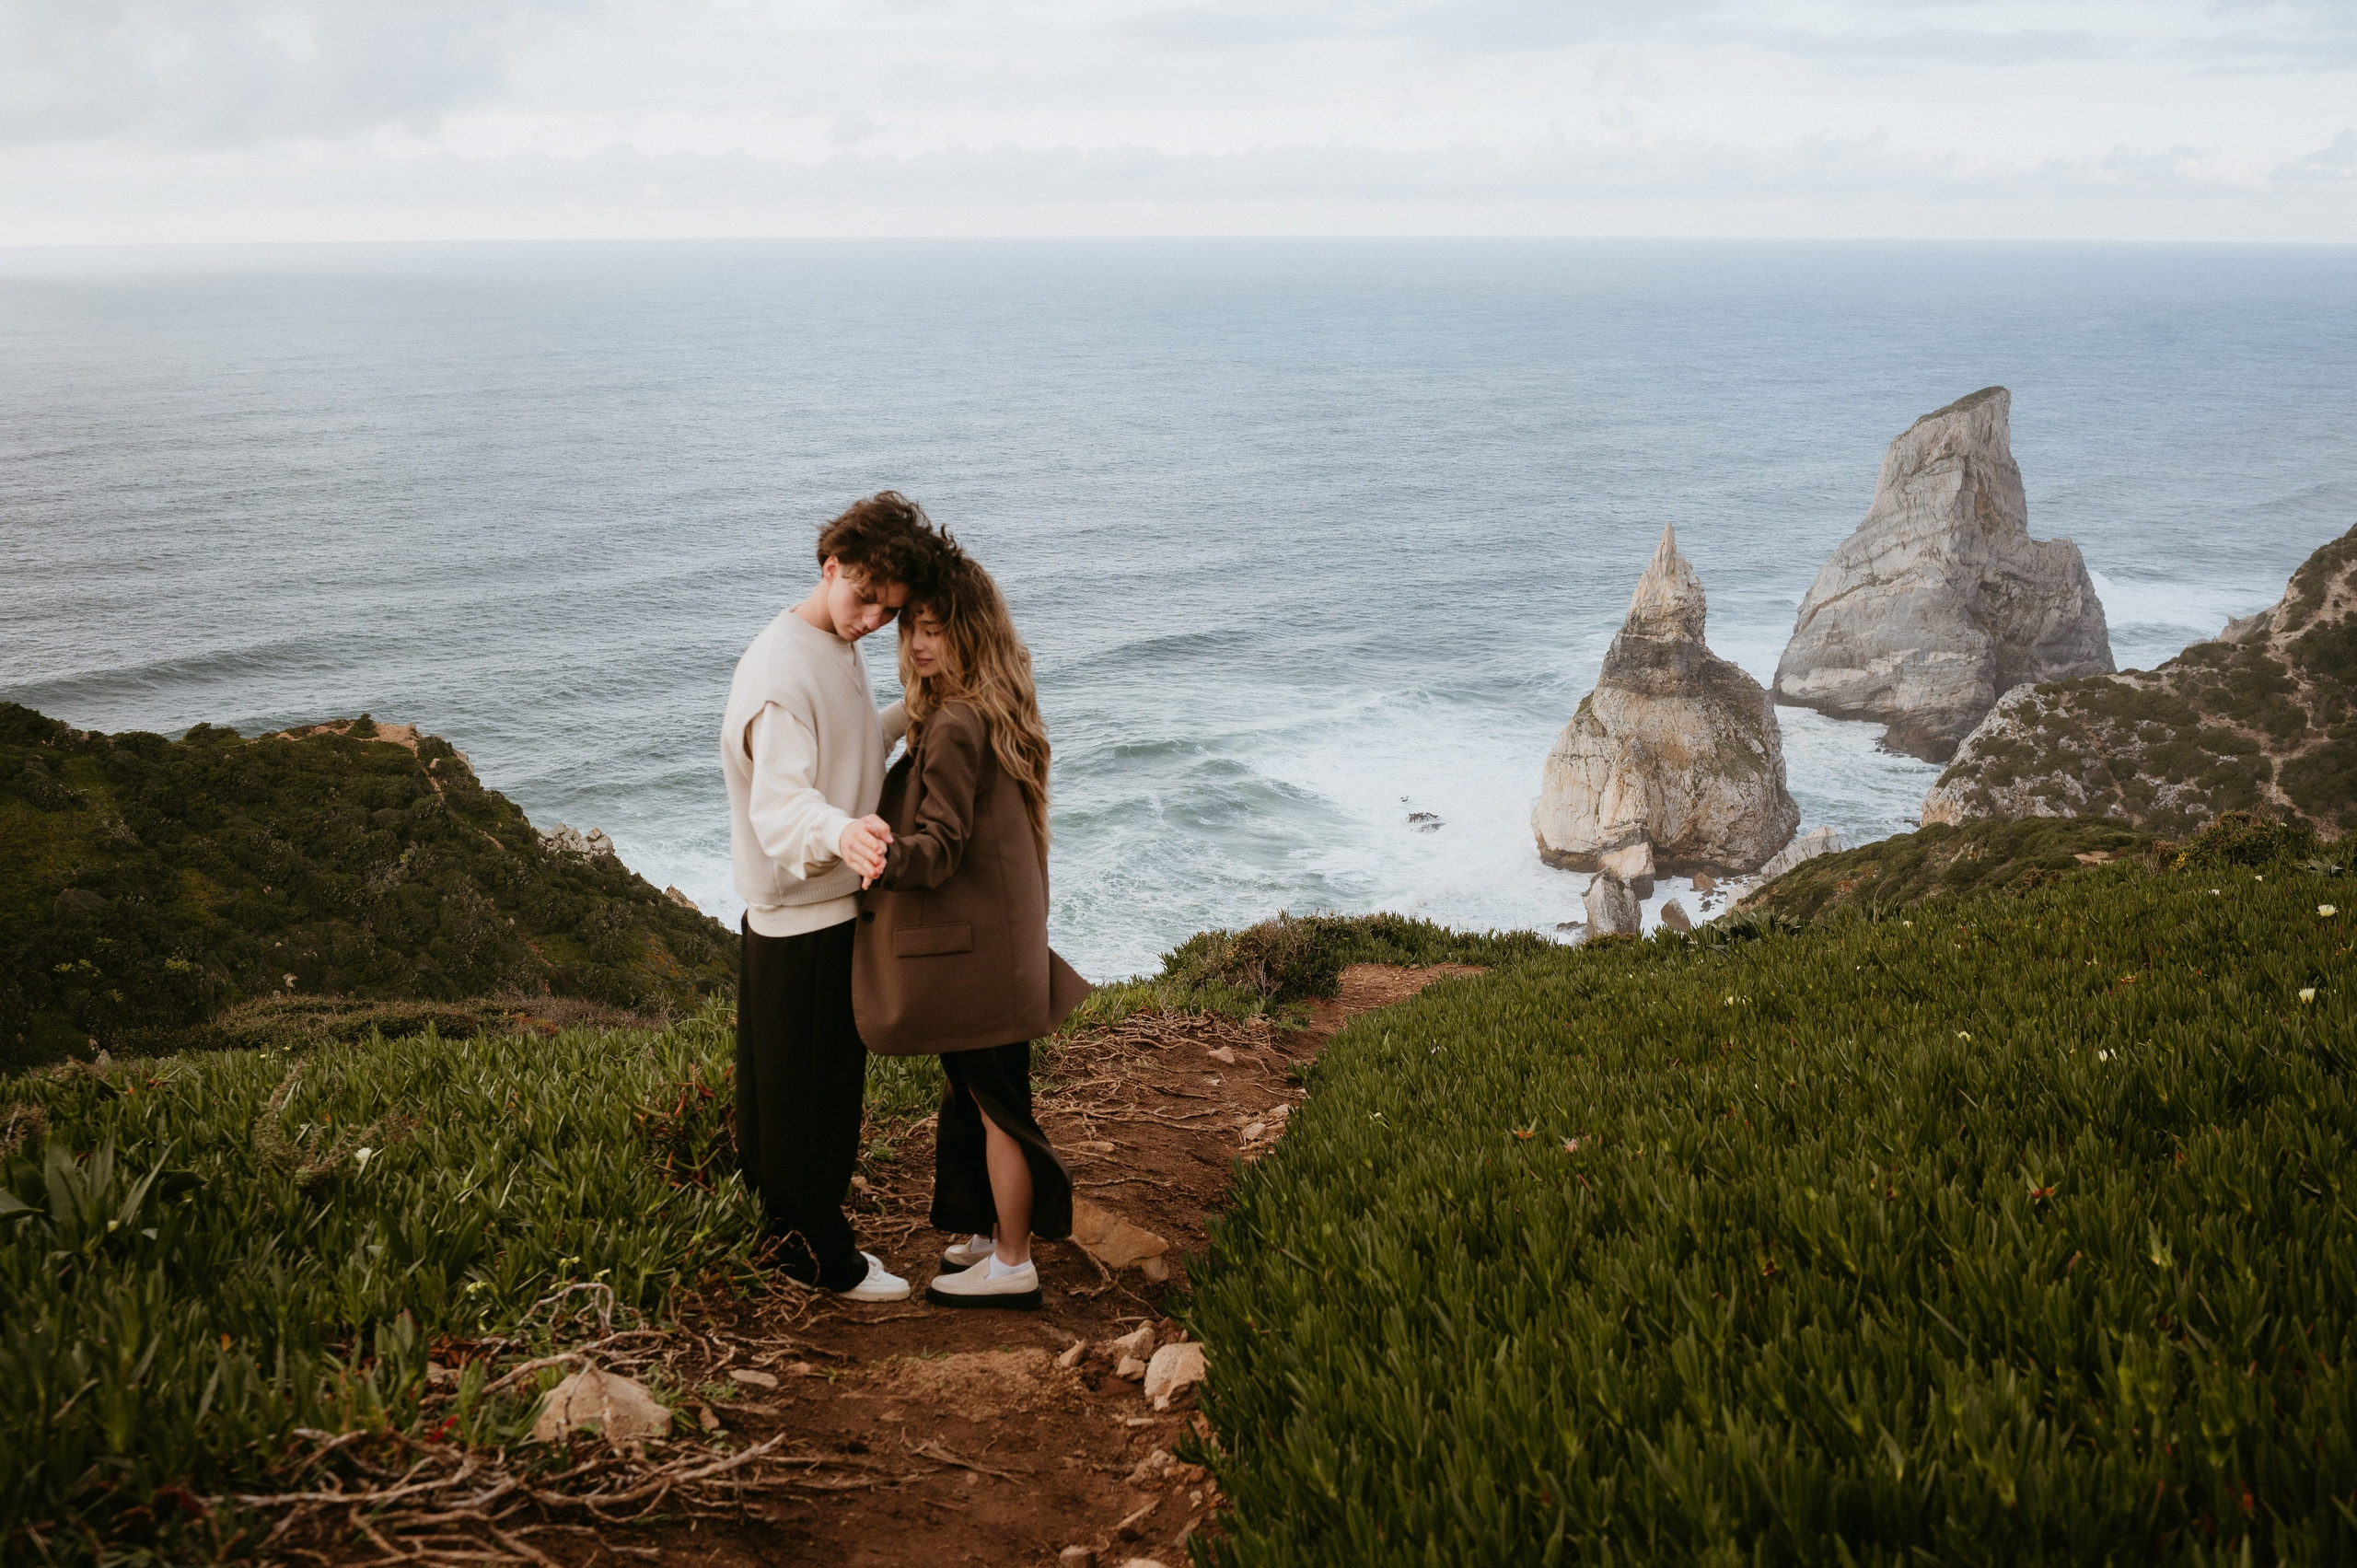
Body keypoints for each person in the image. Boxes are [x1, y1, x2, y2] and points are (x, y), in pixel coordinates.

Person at [721, 491, 948, 1302]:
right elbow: (780, 806)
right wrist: (844, 833)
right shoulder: (782, 672)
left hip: (805, 908)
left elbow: (841, 741)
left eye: (888, 612)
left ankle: (791, 1240)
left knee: (786, 1096)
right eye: (864, 600)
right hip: (805, 912)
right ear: (830, 566)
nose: (870, 623)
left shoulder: (824, 641)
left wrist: (905, 720)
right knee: (810, 1104)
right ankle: (821, 1261)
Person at [852, 555, 1091, 1309]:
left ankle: (1014, 1259)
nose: (919, 645)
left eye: (936, 631)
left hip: (982, 955)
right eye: (914, 629)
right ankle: (993, 1231)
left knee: (997, 1106)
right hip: (1003, 946)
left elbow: (942, 843)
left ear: (969, 635)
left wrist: (876, 853)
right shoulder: (993, 707)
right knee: (981, 1096)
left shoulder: (955, 721)